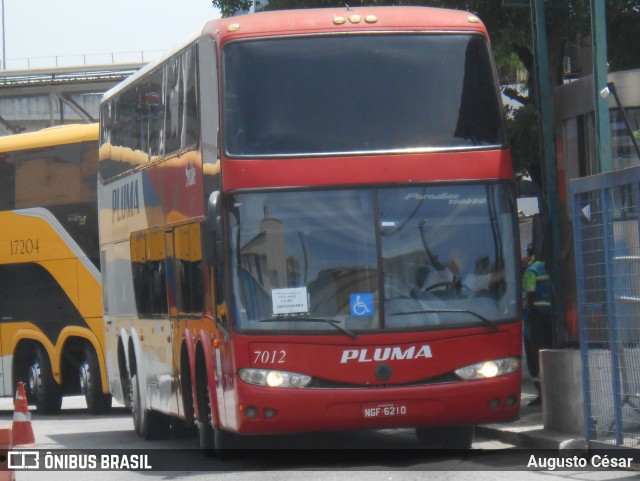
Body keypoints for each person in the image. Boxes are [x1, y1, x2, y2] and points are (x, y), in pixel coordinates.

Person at [522, 243, 553, 407]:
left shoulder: (531, 271)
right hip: (551, 318)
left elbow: (530, 293)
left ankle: (541, 393)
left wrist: (528, 309)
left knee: (534, 359)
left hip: (535, 320)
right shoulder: (549, 267)